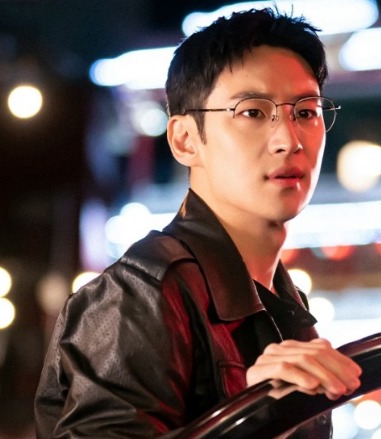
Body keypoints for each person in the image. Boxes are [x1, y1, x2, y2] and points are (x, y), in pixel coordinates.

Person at [34, 7, 362, 438]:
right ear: (185, 139)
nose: (289, 140)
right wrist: (247, 420)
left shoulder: (284, 304)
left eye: (306, 112)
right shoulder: (142, 292)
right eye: (252, 112)